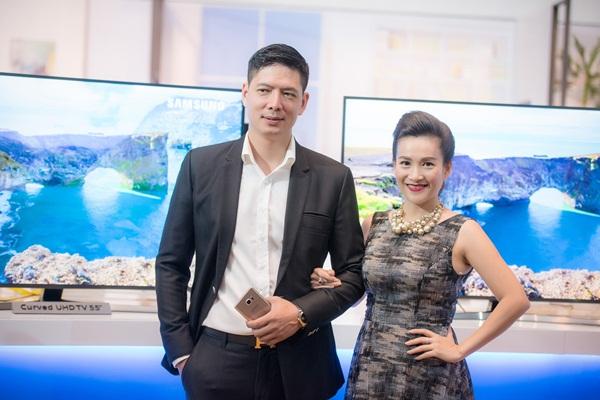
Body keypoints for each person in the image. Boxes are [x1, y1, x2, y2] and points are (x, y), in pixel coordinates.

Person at [155, 43, 365, 400]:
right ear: (245, 92)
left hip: (300, 362)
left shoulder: (333, 178)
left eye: (288, 93)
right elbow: (171, 263)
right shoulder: (200, 166)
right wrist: (182, 352)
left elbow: (355, 274)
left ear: (303, 102)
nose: (275, 103)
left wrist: (300, 312)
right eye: (264, 90)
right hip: (214, 359)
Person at [312, 111, 530, 399]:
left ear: (447, 168)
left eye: (428, 164)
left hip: (428, 377)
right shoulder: (373, 224)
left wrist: (460, 350)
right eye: (405, 163)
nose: (415, 175)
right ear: (394, 165)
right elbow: (361, 295)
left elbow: (516, 299)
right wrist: (332, 283)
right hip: (370, 370)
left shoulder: (463, 231)